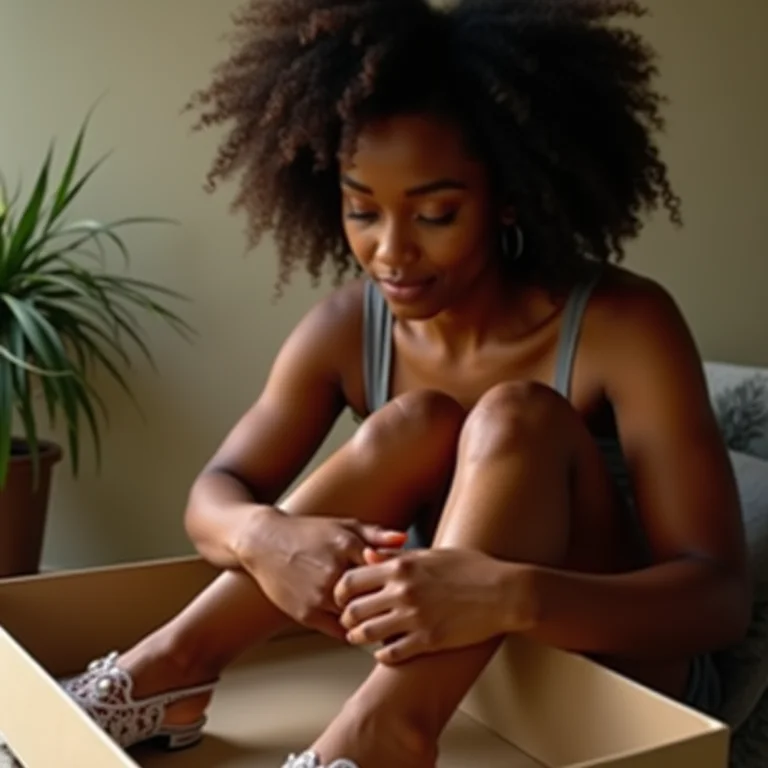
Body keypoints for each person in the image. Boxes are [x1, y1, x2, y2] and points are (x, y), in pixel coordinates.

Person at [61, 1, 752, 766]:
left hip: (613, 672)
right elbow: (215, 494)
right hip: (471, 669)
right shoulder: (346, 330)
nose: (391, 252)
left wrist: (508, 592)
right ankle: (171, 672)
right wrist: (266, 539)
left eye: (436, 214)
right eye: (362, 210)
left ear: (509, 197)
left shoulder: (626, 325)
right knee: (413, 422)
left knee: (516, 418)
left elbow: (718, 601)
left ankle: (383, 736)